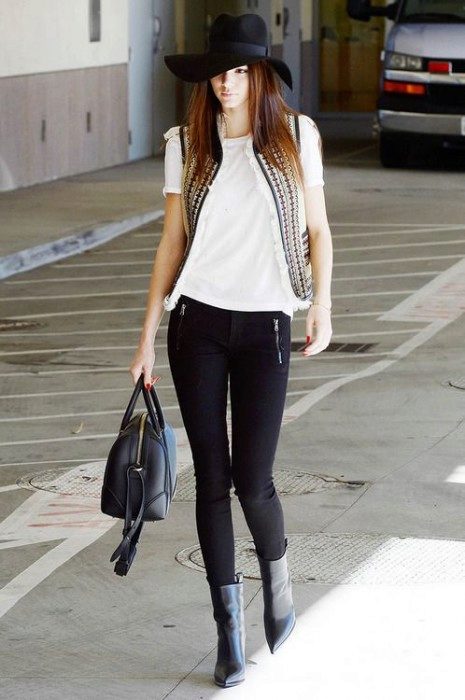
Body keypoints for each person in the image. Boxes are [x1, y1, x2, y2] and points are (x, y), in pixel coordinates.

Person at [129, 12, 333, 689]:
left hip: (266, 324)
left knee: (255, 478)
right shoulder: (186, 142)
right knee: (211, 481)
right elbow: (171, 242)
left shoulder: (295, 136)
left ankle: (277, 579)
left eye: (240, 70)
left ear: (260, 75)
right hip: (198, 323)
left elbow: (318, 230)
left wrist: (322, 305)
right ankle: (228, 636)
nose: (227, 83)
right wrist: (146, 336)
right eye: (219, 71)